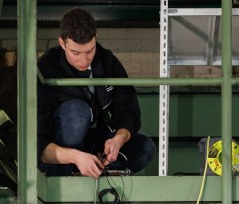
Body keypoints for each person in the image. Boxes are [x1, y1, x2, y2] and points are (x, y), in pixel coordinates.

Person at [38, 8, 156, 178]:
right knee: (77, 112)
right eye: (76, 53)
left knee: (145, 147)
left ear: (95, 39)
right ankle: (64, 180)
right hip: (61, 154)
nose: (84, 60)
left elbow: (128, 110)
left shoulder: (107, 61)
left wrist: (118, 139)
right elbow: (36, 143)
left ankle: (98, 172)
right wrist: (76, 157)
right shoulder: (46, 69)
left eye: (90, 51)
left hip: (95, 142)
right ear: (62, 44)